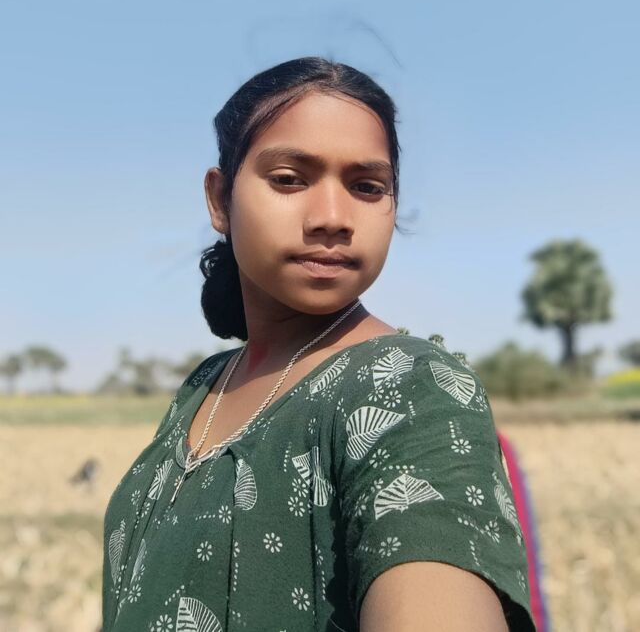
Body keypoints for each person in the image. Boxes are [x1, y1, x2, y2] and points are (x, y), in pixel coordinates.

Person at [101, 57, 535, 631]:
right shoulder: (203, 387)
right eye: (289, 179)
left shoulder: (407, 387)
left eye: (366, 187)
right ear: (220, 200)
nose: (333, 218)